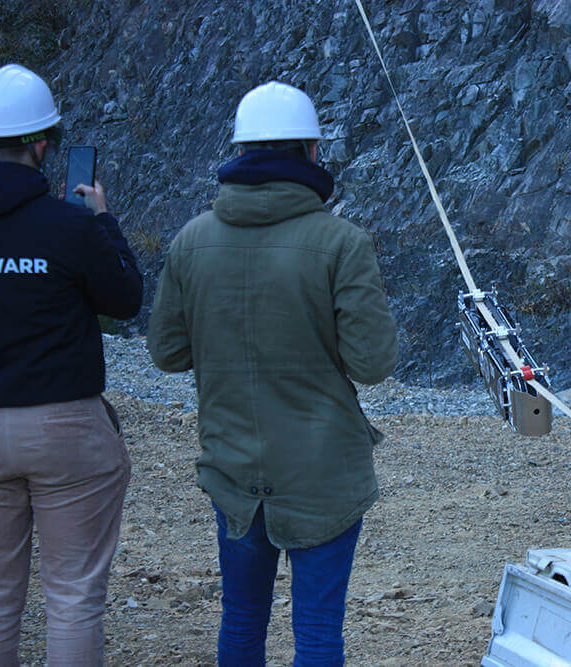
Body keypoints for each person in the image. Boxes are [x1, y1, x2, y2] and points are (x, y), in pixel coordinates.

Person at [148, 80, 398, 666]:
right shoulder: (342, 243)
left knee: (241, 619)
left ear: (238, 152)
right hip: (324, 474)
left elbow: (166, 353)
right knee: (317, 632)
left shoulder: (191, 241)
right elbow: (374, 363)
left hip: (233, 468)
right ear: (312, 152)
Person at [0, 64, 143, 666]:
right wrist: (103, 220)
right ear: (41, 144)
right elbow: (125, 300)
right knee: (73, 597)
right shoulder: (70, 224)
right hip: (66, 429)